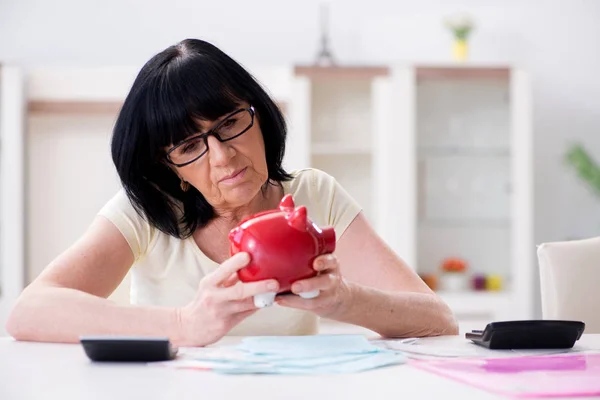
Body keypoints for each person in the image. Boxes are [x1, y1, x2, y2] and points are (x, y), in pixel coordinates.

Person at [6, 39, 458, 346]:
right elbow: (29, 312)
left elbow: (439, 320)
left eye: (229, 124)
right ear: (170, 166)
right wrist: (185, 324)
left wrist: (346, 300)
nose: (222, 157)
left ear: (259, 116)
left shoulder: (313, 195)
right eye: (189, 146)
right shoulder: (147, 211)